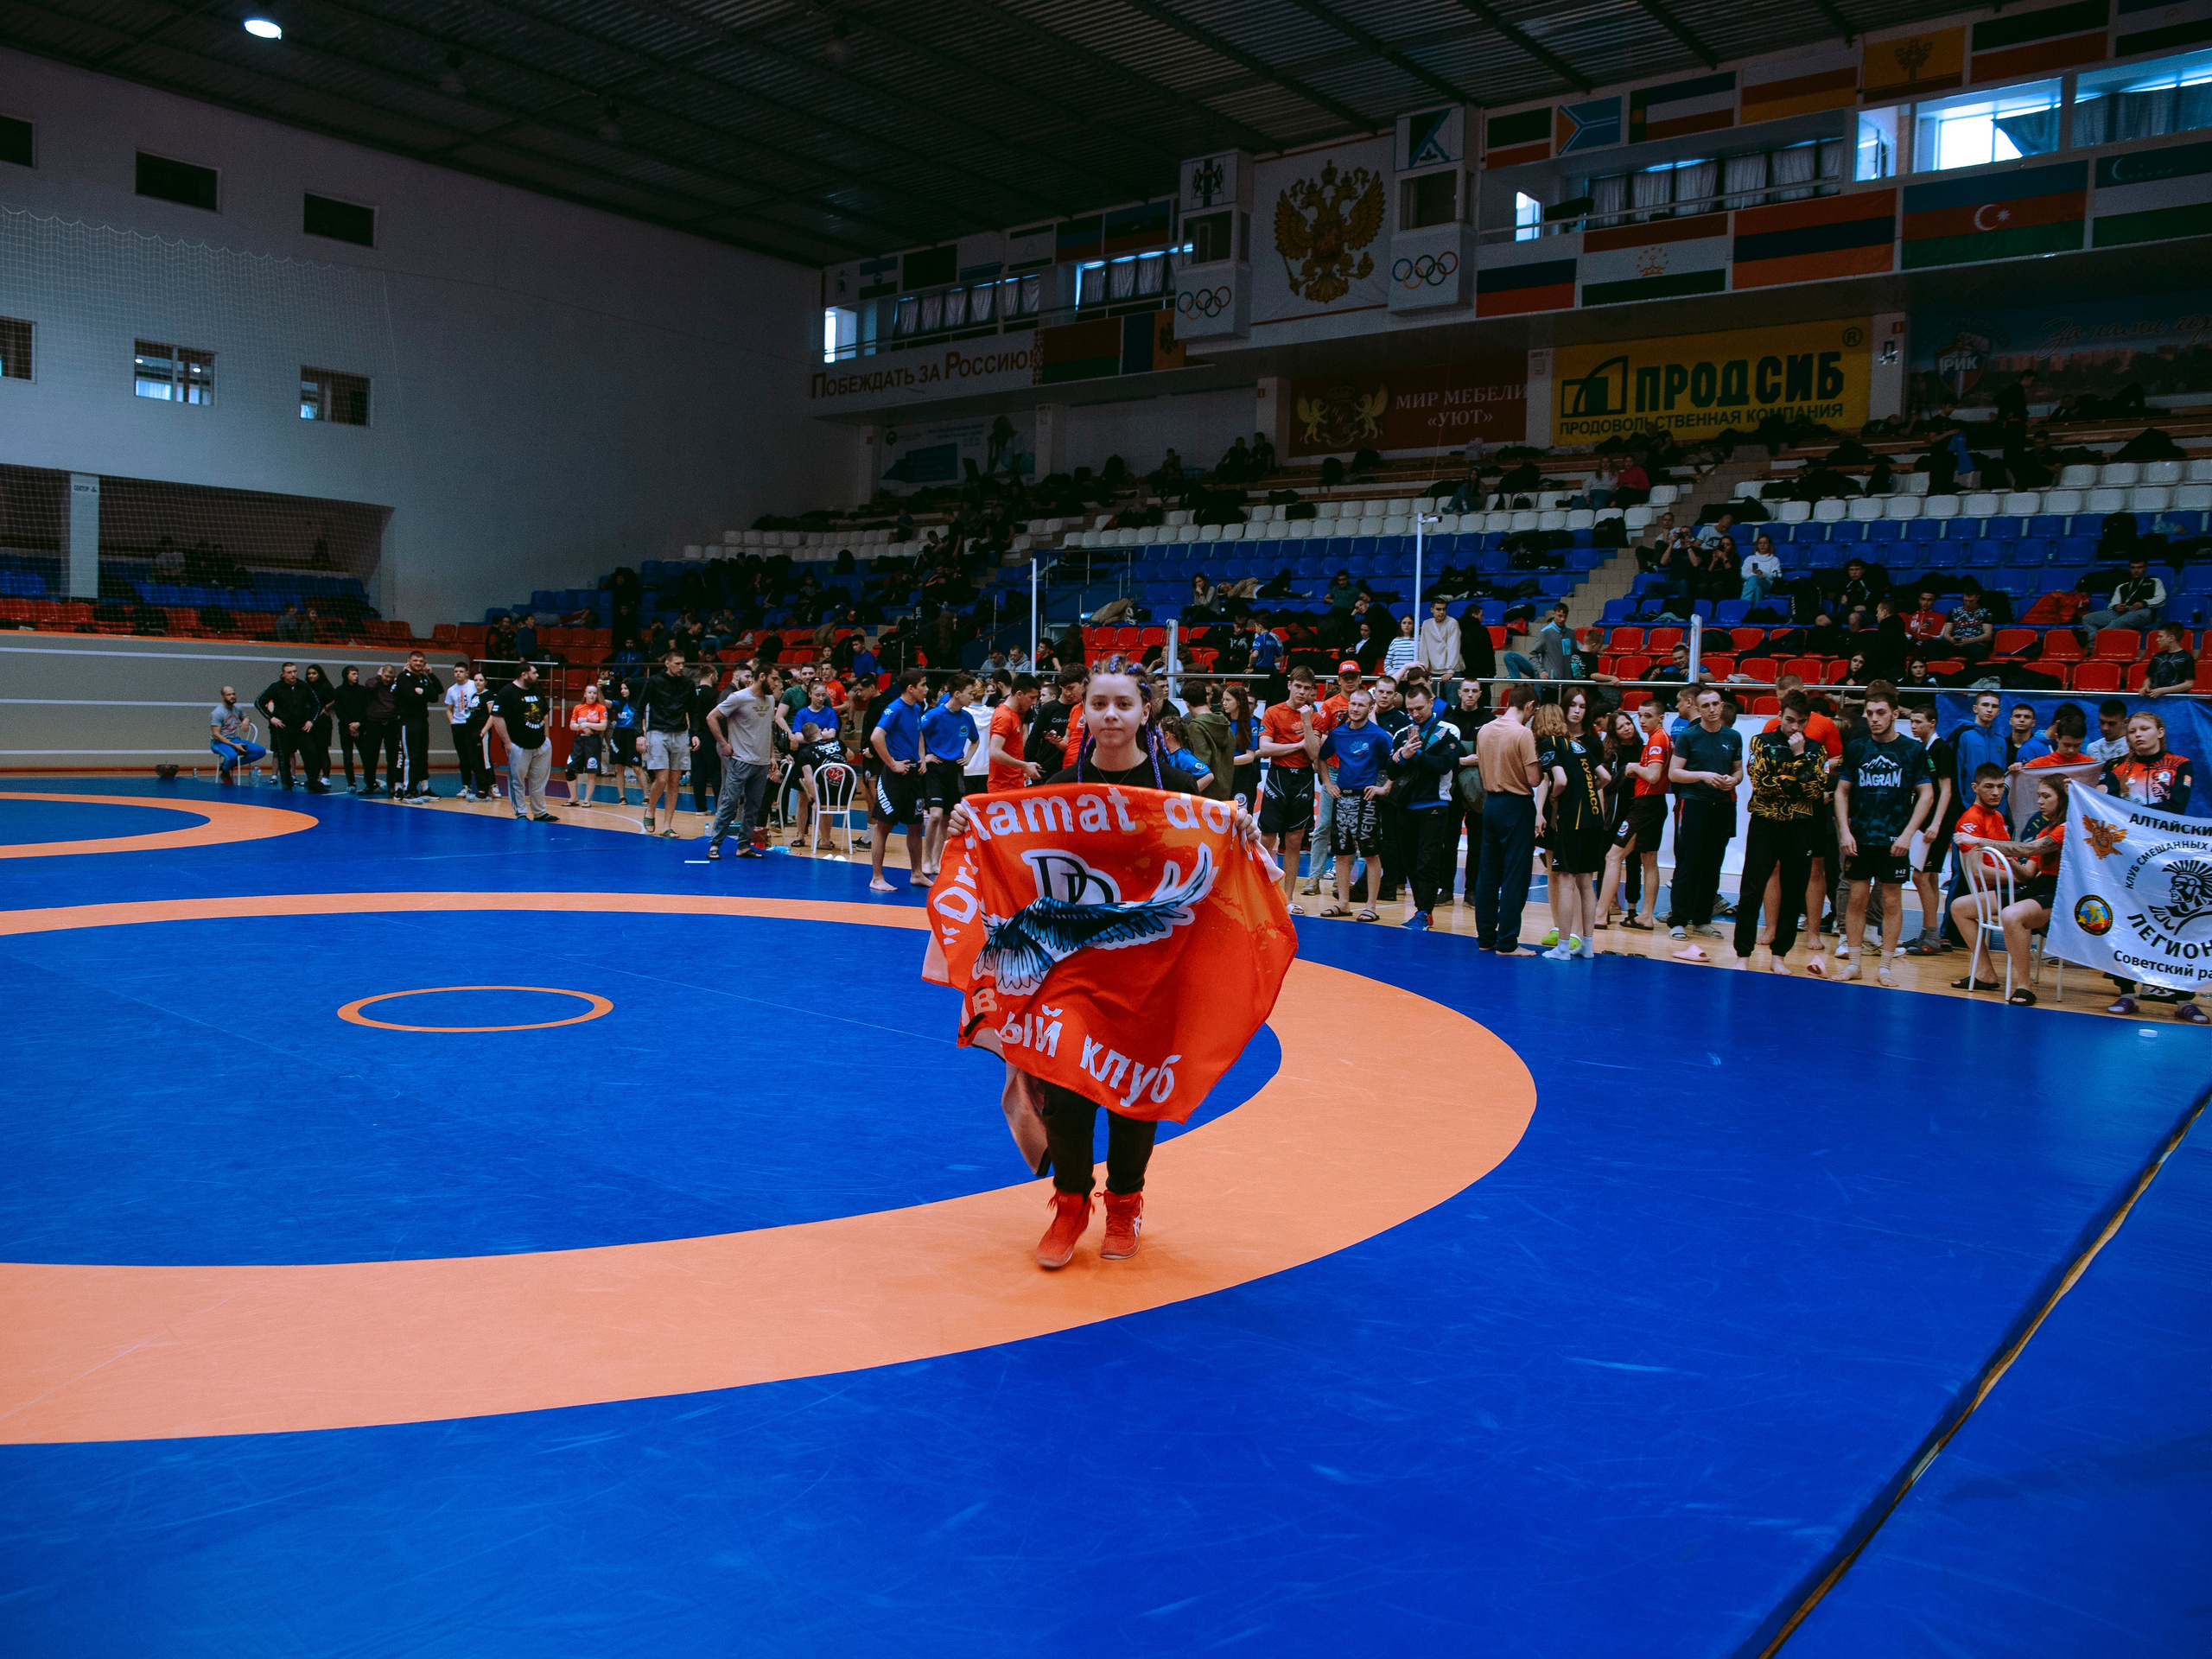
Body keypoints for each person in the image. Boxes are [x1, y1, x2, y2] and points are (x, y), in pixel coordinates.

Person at [944, 666, 1261, 1270]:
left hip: (1152, 973)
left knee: (1133, 1095)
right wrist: (967, 822)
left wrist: (1239, 826)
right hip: (1071, 974)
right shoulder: (1060, 789)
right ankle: (1070, 1204)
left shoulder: (1184, 795)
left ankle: (1123, 1202)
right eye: (1098, 704)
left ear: (1147, 712)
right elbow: (1005, 852)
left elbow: (1219, 857)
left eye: (1123, 704)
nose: (1110, 714)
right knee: (1064, 1091)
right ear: (1083, 712)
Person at [1834, 680, 1934, 988]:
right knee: (1856, 899)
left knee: (1892, 901)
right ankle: (1853, 964)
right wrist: (1845, 831)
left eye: (1880, 712)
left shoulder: (1912, 750)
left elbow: (1927, 794)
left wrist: (1908, 834)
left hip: (1894, 841)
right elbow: (1841, 792)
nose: (1874, 718)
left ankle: (1886, 966)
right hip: (1860, 837)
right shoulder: (1856, 747)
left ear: (1893, 714)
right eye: (1869, 713)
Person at [1945, 776, 2065, 1007]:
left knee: (2011, 915)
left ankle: (2023, 985)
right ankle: (1985, 973)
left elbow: (2029, 849)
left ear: (2063, 799)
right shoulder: (2045, 829)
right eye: (2038, 795)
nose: (2039, 801)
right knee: (1959, 907)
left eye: (2046, 796)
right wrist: (2011, 863)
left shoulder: (2066, 828)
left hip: (2058, 891)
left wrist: (1980, 841)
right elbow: (2029, 874)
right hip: (2037, 886)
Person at [1731, 691, 1827, 972]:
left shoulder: (1816, 749)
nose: (1795, 727)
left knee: (1794, 892)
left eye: (1801, 721)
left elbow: (1814, 789)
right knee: (1751, 889)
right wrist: (1799, 773)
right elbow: (1762, 784)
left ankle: (1779, 956)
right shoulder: (1761, 742)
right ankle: (1743, 955)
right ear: (1780, 715)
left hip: (1800, 826)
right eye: (1789, 720)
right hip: (1764, 822)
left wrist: (1796, 760)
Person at [1667, 686, 1745, 942]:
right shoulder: (1689, 736)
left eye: (1716, 704)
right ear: (1698, 709)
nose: (1712, 709)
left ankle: (1702, 919)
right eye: (1707, 705)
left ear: (1722, 706)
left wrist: (1732, 781)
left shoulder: (1733, 737)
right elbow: (1674, 773)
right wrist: (1703, 775)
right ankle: (1677, 920)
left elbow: (1738, 771)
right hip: (1694, 804)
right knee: (1687, 863)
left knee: (1712, 865)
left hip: (1722, 806)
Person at [1473, 683, 1544, 955]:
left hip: (1491, 804)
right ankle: (1507, 943)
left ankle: (1486, 939)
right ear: (1529, 706)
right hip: (1516, 805)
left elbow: (1481, 765)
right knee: (1515, 875)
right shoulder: (1523, 733)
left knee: (1488, 874)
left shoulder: (1486, 729)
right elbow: (1534, 779)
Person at [1535, 694, 1607, 959]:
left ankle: (1563, 947)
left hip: (1572, 819)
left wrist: (1556, 797)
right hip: (1594, 818)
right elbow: (1605, 777)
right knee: (1586, 882)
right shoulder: (1578, 745)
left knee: (1565, 880)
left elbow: (1560, 780)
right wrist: (1585, 792)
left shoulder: (1549, 743)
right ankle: (1587, 947)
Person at [1257, 668, 1329, 914]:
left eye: (1308, 688)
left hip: (1303, 779)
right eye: (1298, 686)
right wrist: (1298, 744)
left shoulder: (1315, 718)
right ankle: (1267, 893)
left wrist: (1307, 722)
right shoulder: (1273, 712)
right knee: (1268, 838)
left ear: (1313, 691)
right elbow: (1264, 749)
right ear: (1290, 685)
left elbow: (1314, 754)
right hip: (1278, 776)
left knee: (1295, 841)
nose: (1302, 692)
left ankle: (1287, 898)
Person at [1318, 688, 1392, 921]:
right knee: (1341, 852)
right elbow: (1321, 757)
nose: (1355, 709)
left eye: (1361, 705)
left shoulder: (1379, 735)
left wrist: (1385, 787)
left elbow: (1397, 761)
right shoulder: (1338, 734)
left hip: (1367, 799)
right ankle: (1343, 903)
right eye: (1353, 704)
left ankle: (1371, 906)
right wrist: (1328, 784)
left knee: (1370, 853)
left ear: (1371, 709)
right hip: (1343, 797)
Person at [1599, 699, 1670, 933]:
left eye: (1647, 715)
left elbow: (1652, 774)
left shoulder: (1658, 739)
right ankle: (1646, 916)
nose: (1641, 721)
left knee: (1612, 856)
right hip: (1653, 805)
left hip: (1645, 806)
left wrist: (1634, 767)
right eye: (1639, 715)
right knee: (1649, 859)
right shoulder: (1658, 739)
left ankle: (1599, 914)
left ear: (1660, 717)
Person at [1902, 702, 1959, 958]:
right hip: (1928, 817)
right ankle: (1929, 932)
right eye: (1911, 721)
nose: (1914, 726)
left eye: (1918, 721)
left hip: (1937, 819)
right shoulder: (1924, 748)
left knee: (1920, 876)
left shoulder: (1941, 749)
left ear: (1932, 723)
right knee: (1930, 877)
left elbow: (1946, 790)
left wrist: (1936, 823)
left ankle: (1932, 936)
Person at [868, 667, 931, 893]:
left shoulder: (916, 709)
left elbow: (920, 734)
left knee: (916, 825)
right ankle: (877, 878)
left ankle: (916, 874)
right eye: (923, 685)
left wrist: (922, 758)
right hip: (896, 776)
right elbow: (876, 737)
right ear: (911, 688)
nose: (927, 689)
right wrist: (892, 763)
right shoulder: (893, 709)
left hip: (913, 774)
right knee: (884, 826)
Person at [706, 666, 779, 860]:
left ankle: (744, 845)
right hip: (741, 760)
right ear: (762, 676)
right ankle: (715, 844)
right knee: (730, 802)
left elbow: (767, 730)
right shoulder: (739, 697)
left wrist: (772, 756)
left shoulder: (770, 700)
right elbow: (711, 717)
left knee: (754, 806)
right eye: (774, 679)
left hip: (761, 762)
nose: (776, 684)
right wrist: (723, 743)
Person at [918, 672, 980, 880]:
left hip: (955, 769)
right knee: (935, 814)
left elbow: (975, 740)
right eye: (970, 693)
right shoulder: (935, 715)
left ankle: (936, 861)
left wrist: (969, 757)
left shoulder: (966, 717)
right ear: (957, 694)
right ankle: (926, 859)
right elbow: (917, 732)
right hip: (936, 768)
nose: (973, 697)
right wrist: (923, 756)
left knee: (946, 817)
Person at [486, 664, 556, 821]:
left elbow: (545, 714)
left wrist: (547, 738)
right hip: (519, 745)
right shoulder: (507, 692)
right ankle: (521, 812)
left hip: (540, 744)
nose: (537, 675)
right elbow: (497, 718)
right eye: (534, 672)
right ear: (524, 674)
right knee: (517, 781)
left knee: (539, 781)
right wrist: (507, 742)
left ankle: (539, 812)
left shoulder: (536, 690)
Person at [639, 651, 696, 838]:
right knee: (661, 778)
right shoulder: (653, 682)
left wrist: (694, 734)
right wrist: (640, 735)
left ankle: (667, 825)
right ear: (667, 663)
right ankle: (651, 809)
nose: (681, 667)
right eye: (677, 663)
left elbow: (693, 711)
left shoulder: (688, 684)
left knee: (674, 781)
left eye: (683, 663)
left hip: (680, 733)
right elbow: (639, 708)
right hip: (658, 732)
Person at [784, 675, 845, 845]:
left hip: (824, 763)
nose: (820, 698)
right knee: (802, 799)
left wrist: (811, 735)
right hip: (805, 760)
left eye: (823, 695)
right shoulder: (802, 713)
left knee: (825, 802)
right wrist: (820, 735)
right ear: (810, 694)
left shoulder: (830, 712)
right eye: (817, 695)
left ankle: (826, 839)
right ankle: (800, 836)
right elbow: (796, 737)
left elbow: (832, 735)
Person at [255, 662, 327, 792]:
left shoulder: (303, 686)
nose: (293, 675)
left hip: (301, 727)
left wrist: (311, 721)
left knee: (311, 754)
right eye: (289, 672)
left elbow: (316, 704)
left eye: (295, 671)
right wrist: (271, 718)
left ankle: (313, 783)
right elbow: (259, 701)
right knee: (284, 757)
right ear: (283, 674)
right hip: (283, 728)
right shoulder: (276, 687)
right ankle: (287, 784)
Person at [393, 650, 442, 800]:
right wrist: (423, 694)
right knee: (411, 757)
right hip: (408, 721)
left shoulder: (424, 678)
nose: (419, 663)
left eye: (421, 661)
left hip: (422, 720)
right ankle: (409, 790)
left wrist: (428, 680)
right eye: (416, 661)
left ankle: (425, 788)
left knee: (422, 756)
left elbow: (437, 694)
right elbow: (411, 698)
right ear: (409, 661)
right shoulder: (403, 677)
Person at [2081, 557, 2165, 639]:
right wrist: (2116, 606)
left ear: (2145, 568)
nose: (2136, 571)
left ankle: (2088, 638)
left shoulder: (2154, 581)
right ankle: (2092, 649)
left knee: (2120, 621)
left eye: (2140, 567)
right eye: (2133, 568)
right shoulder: (2122, 585)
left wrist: (2144, 603)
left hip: (2144, 611)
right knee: (2087, 618)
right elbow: (2112, 604)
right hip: (2124, 611)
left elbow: (2162, 598)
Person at [443, 663, 487, 801]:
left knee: (476, 757)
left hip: (472, 726)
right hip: (458, 726)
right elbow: (449, 709)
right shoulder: (451, 690)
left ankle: (486, 786)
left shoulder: (474, 685)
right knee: (463, 758)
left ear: (467, 673)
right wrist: (453, 724)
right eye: (456, 671)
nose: (458, 674)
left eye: (461, 671)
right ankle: (465, 786)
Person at [356, 664, 402, 796]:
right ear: (382, 674)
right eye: (386, 676)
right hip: (374, 722)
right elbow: (369, 686)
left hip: (392, 722)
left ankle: (392, 785)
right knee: (370, 755)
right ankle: (370, 784)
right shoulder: (373, 683)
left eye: (391, 677)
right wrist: (378, 676)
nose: (388, 679)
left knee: (392, 756)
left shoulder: (395, 686)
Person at [207, 686, 266, 783]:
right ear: (223, 697)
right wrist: (234, 745)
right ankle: (225, 772)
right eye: (229, 695)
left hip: (234, 739)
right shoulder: (217, 713)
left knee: (260, 751)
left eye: (233, 694)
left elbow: (246, 716)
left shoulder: (237, 708)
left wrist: (246, 720)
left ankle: (228, 765)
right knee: (232, 756)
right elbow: (216, 734)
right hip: (218, 742)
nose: (232, 696)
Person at [565, 682, 611, 807]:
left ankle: (587, 799)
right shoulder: (578, 708)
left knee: (591, 771)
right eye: (589, 693)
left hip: (593, 741)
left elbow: (603, 725)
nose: (592, 695)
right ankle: (573, 797)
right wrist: (582, 727)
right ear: (585, 694)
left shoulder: (601, 708)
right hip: (579, 740)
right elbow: (572, 725)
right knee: (569, 769)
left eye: (594, 693)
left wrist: (587, 725)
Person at [299, 664, 336, 787]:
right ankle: (313, 778)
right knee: (311, 752)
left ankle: (326, 777)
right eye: (309, 673)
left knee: (322, 750)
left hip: (322, 723)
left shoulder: (325, 686)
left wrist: (326, 708)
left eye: (314, 673)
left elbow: (335, 698)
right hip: (309, 722)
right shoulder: (306, 687)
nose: (311, 676)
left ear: (319, 674)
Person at [332, 664, 368, 790]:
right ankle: (351, 782)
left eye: (357, 674)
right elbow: (339, 710)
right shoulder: (339, 691)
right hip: (345, 728)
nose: (356, 676)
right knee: (347, 756)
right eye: (353, 674)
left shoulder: (363, 690)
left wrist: (358, 724)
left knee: (366, 755)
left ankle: (370, 781)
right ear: (346, 676)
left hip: (361, 727)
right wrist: (350, 725)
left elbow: (366, 709)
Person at [2143, 622, 2197, 696]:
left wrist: (2163, 691)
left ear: (2171, 638)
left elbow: (2189, 684)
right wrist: (2145, 687)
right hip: (2156, 698)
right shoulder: (2157, 657)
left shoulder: (2187, 657)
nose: (2157, 639)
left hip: (2177, 700)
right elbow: (2149, 678)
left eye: (2160, 637)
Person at [1940, 591, 1994, 663]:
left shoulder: (1985, 612)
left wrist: (1969, 640)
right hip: (1954, 643)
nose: (1968, 604)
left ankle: (1968, 672)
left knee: (1979, 651)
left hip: (1972, 644)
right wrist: (1951, 639)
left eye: (1971, 601)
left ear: (1977, 598)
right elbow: (1946, 633)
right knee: (1930, 644)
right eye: (1966, 601)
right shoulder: (1954, 611)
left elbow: (1988, 635)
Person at [1418, 600, 1463, 678]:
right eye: (1438, 609)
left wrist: (1451, 670)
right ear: (1432, 610)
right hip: (1432, 670)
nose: (1442, 612)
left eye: (1444, 609)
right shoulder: (1426, 624)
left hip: (1451, 670)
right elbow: (1423, 647)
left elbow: (1454, 647)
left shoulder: (1452, 623)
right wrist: (1424, 667)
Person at [1740, 534, 1783, 606]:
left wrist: (1763, 574)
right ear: (1757, 545)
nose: (1763, 545)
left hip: (1767, 583)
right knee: (1757, 589)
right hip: (1753, 584)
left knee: (1754, 579)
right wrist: (1756, 575)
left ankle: (1743, 605)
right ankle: (1755, 612)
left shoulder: (1774, 560)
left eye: (1765, 543)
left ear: (1769, 545)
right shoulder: (1750, 558)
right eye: (1760, 543)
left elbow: (1778, 575)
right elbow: (1743, 573)